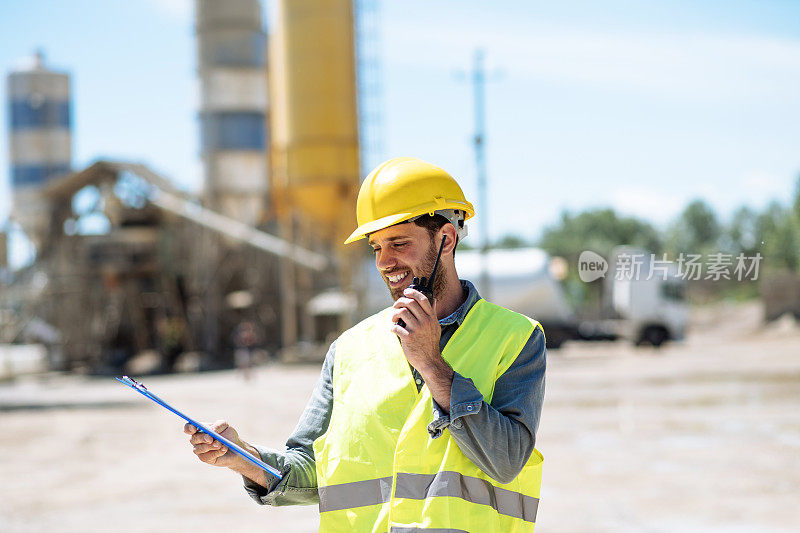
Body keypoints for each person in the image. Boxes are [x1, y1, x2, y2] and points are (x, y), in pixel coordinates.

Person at [185, 157, 546, 532]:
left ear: (446, 240)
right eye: (376, 247)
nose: (385, 262)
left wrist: (433, 365)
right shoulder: (348, 350)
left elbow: (506, 461)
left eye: (399, 243)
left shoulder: (515, 338)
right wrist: (244, 458)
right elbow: (311, 468)